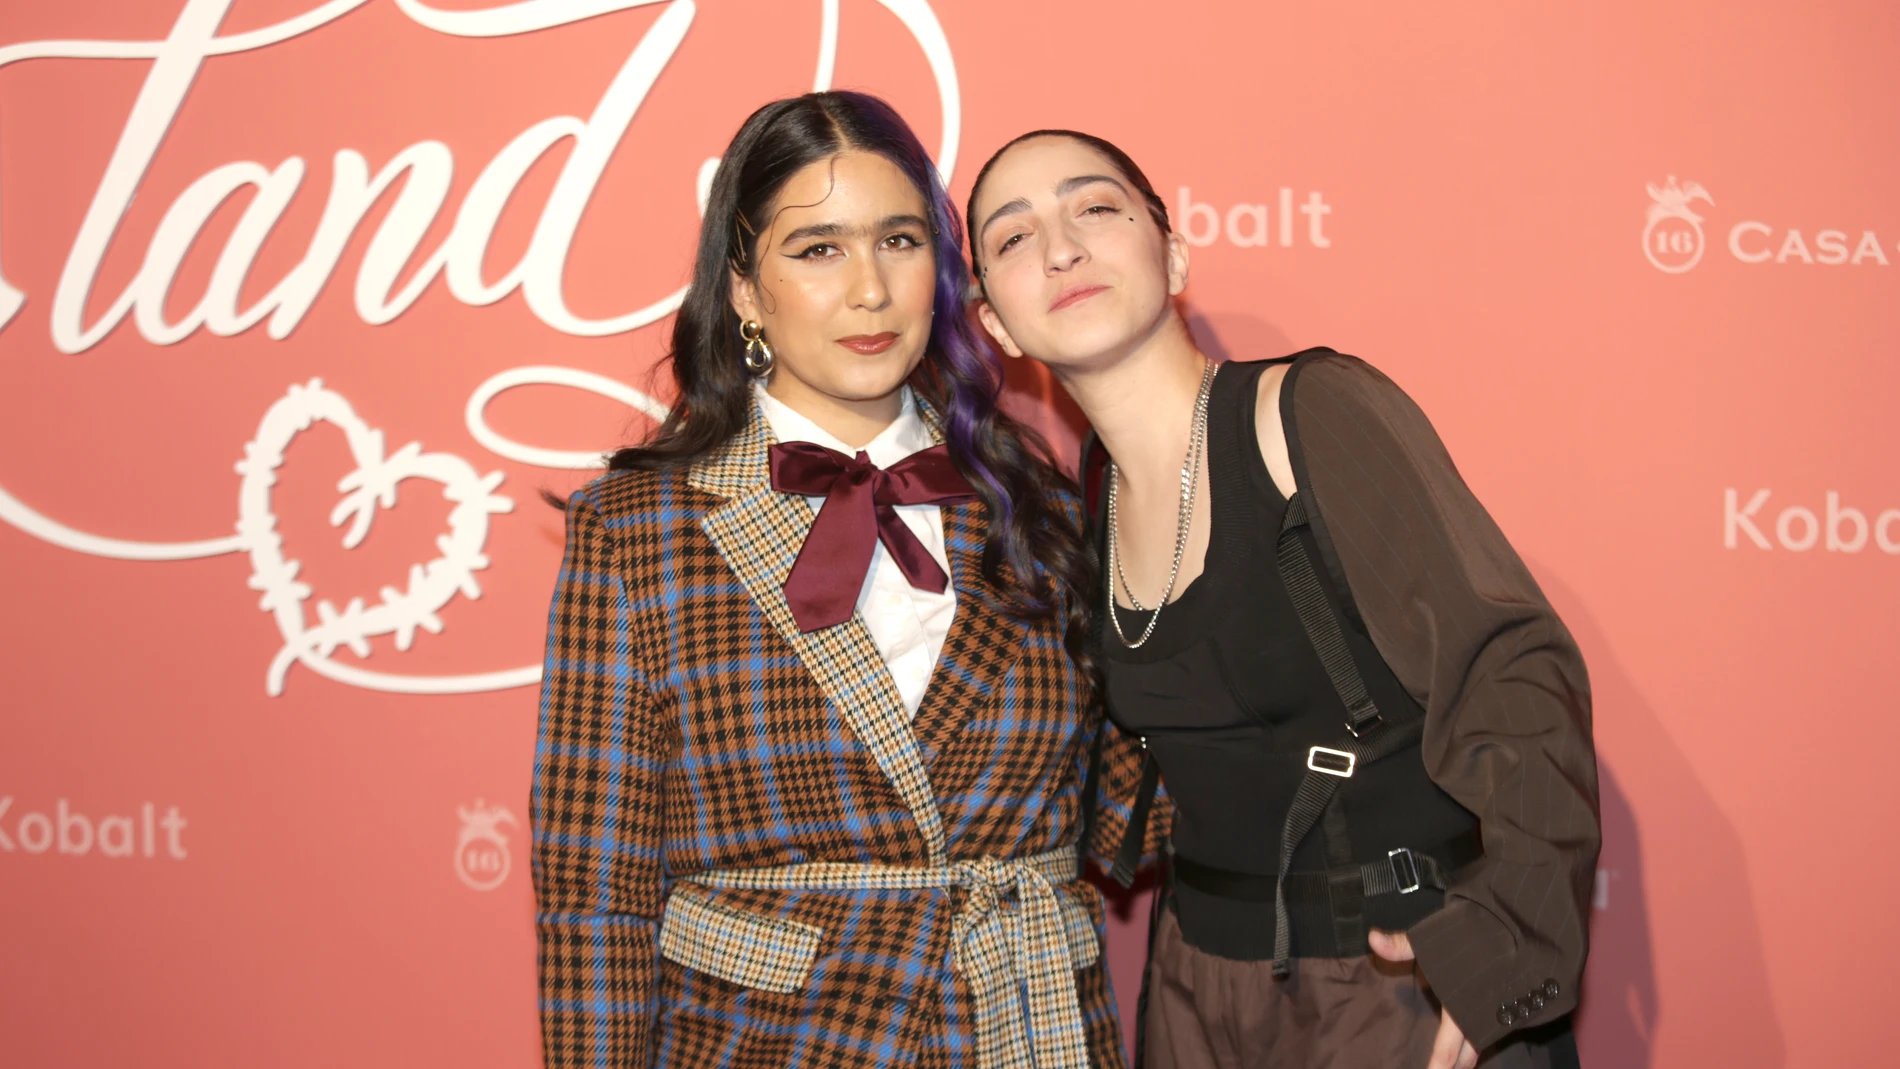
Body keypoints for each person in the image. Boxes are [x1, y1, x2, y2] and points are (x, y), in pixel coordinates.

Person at [531, 94, 1155, 1069]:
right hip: (776, 1043)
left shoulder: (1050, 512)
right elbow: (594, 898)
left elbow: (1148, 802)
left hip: (1020, 1031)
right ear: (743, 288)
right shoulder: (637, 532)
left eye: (898, 240)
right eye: (817, 249)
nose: (869, 289)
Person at [964, 129, 1600, 1069]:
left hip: (1393, 977)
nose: (1060, 247)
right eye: (1013, 238)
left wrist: (1503, 940)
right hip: (1195, 987)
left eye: (1094, 207)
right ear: (998, 327)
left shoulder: (1307, 414)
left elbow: (1510, 667)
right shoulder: (1081, 501)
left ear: (1172, 253)